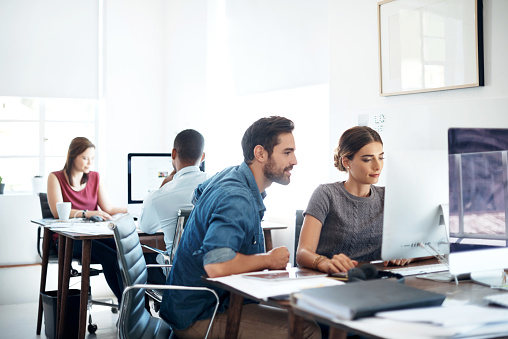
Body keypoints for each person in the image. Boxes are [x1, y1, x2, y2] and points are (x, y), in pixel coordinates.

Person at [159, 116, 321, 339]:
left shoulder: (233, 175)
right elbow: (217, 265)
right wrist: (268, 259)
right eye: (287, 152)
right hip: (200, 316)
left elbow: (196, 195)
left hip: (196, 306)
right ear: (260, 154)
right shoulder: (237, 196)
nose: (295, 160)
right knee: (307, 329)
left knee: (303, 315)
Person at [296, 126, 411, 275]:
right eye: (368, 159)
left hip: (374, 279)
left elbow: (426, 245)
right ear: (346, 162)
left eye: (381, 157)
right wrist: (324, 262)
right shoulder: (326, 194)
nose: (377, 166)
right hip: (332, 278)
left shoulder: (388, 196)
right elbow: (302, 253)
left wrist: (408, 256)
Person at [47, 137, 127, 302]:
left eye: (92, 158)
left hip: (94, 235)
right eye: (85, 158)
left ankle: (135, 306)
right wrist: (87, 213)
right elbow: (57, 212)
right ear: (72, 156)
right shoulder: (55, 177)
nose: (89, 162)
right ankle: (126, 305)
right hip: (67, 239)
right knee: (110, 256)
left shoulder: (95, 178)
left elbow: (109, 209)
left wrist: (133, 209)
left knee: (124, 249)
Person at [139, 129, 209, 284]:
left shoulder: (159, 196)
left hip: (178, 275)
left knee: (141, 258)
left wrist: (161, 188)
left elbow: (146, 228)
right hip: (213, 273)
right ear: (202, 157)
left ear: (173, 154)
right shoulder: (218, 185)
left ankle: (143, 309)